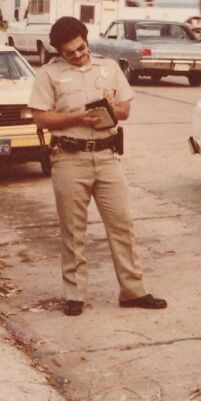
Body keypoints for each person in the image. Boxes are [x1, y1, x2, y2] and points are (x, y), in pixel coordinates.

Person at [29, 16, 167, 316]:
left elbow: (125, 111)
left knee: (122, 225)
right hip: (69, 158)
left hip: (106, 157)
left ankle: (133, 291)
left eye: (81, 48)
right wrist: (76, 118)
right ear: (59, 52)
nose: (78, 55)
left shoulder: (108, 67)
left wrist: (111, 107)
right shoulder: (49, 74)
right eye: (70, 53)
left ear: (86, 40)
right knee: (73, 229)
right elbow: (41, 117)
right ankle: (74, 294)